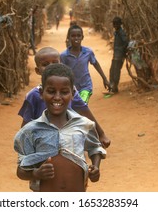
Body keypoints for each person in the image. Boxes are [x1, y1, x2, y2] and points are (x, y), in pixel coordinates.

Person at [14, 63, 106, 191]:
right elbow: (20, 171)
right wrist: (35, 173)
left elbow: (95, 147)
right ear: (41, 93)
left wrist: (96, 167)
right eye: (51, 91)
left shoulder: (84, 124)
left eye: (64, 92)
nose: (57, 97)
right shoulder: (30, 131)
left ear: (73, 94)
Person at [18, 47, 111, 148]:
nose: (51, 67)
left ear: (61, 64)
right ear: (37, 70)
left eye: (55, 62)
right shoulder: (33, 95)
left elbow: (84, 111)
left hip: (68, 140)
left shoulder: (69, 92)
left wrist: (101, 134)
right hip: (42, 144)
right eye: (45, 64)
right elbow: (26, 125)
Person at [60, 24, 110, 104]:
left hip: (86, 86)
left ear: (82, 37)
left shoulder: (87, 52)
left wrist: (105, 79)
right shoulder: (64, 55)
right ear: (68, 38)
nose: (76, 38)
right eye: (73, 36)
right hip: (70, 88)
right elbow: (61, 72)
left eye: (78, 36)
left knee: (82, 104)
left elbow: (95, 64)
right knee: (73, 108)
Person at [107, 16, 129, 94]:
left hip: (119, 55)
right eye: (114, 24)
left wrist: (122, 51)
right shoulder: (117, 32)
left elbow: (126, 42)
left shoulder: (121, 32)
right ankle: (112, 87)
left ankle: (114, 87)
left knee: (116, 71)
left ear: (119, 24)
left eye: (116, 24)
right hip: (116, 54)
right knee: (112, 70)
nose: (115, 26)